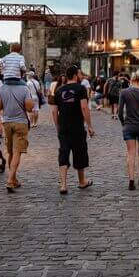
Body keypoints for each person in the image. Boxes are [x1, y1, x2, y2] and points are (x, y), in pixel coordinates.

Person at [53, 65, 96, 193]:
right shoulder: (81, 88)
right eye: (80, 74)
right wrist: (89, 126)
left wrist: (57, 127)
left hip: (63, 127)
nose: (81, 76)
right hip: (77, 126)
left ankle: (64, 185)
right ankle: (82, 181)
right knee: (80, 153)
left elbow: (54, 112)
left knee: (63, 153)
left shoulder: (59, 90)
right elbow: (84, 107)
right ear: (75, 75)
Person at [0, 68, 36, 192]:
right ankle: (10, 180)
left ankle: (14, 179)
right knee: (17, 152)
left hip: (7, 122)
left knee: (11, 153)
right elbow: (29, 108)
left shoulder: (1, 89)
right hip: (20, 123)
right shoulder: (24, 89)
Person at [118, 73, 139, 190]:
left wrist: (124, 123)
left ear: (131, 80)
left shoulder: (124, 92)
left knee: (131, 153)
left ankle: (131, 180)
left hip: (129, 126)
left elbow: (119, 112)